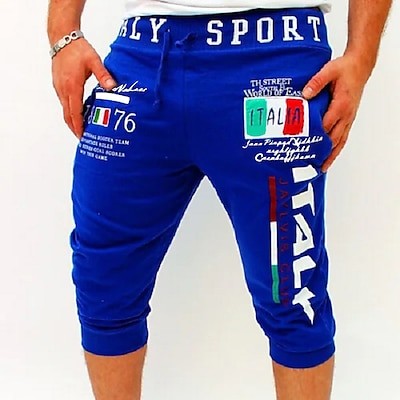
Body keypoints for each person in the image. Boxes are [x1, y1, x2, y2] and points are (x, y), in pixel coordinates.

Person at [47, 0, 392, 399]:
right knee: (103, 280)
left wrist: (361, 58)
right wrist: (63, 32)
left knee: (292, 292)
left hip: (275, 57)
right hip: (141, 56)